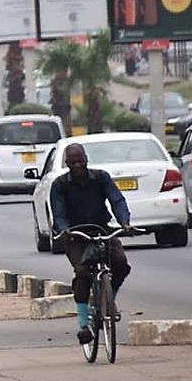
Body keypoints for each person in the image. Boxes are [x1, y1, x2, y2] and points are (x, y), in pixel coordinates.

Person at [49, 143, 132, 345]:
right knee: (83, 272)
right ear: (67, 163)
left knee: (120, 263)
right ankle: (83, 323)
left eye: (81, 160)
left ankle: (107, 299)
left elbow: (117, 200)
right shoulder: (60, 184)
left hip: (101, 230)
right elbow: (58, 213)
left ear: (87, 159)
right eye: (73, 162)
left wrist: (124, 221)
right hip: (75, 236)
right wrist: (65, 229)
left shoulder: (101, 177)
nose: (77, 165)